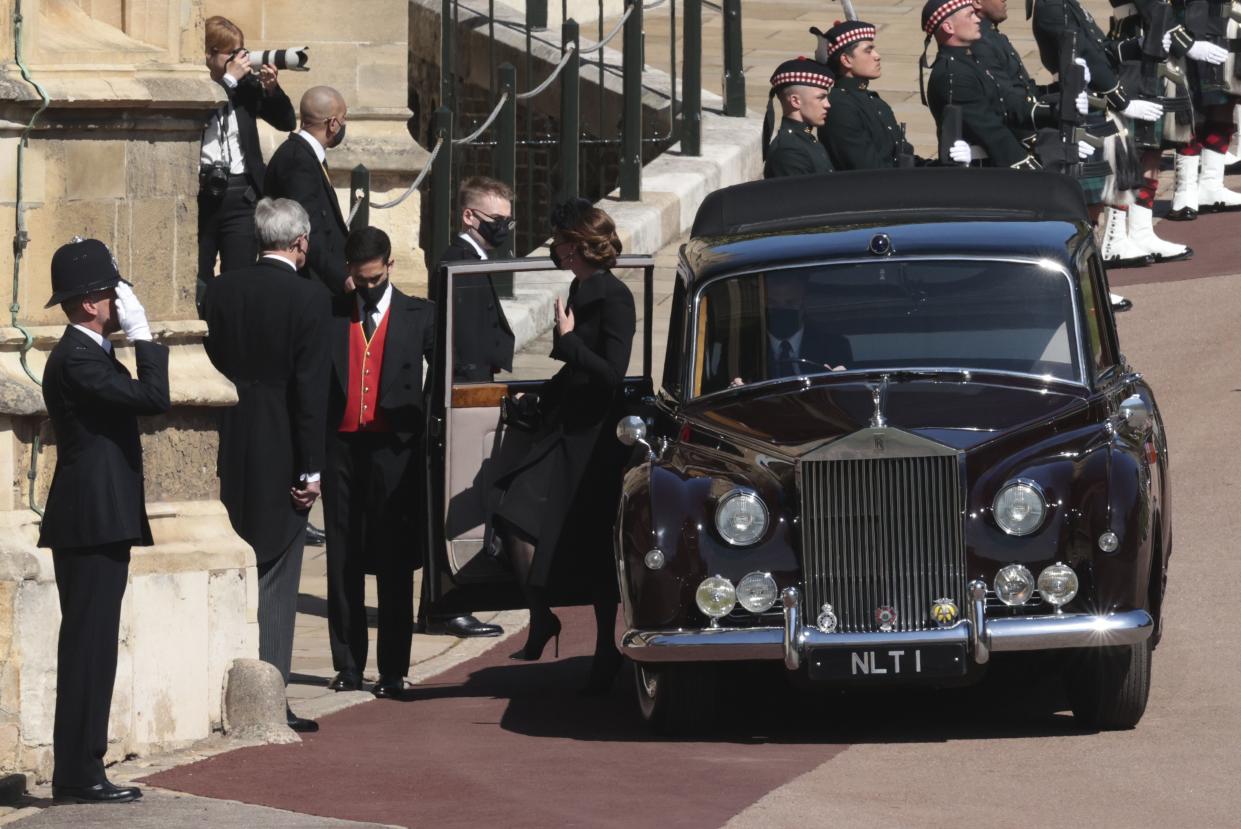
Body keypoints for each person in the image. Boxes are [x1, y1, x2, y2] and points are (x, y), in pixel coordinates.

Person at [39, 239, 170, 803]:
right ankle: (78, 771)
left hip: (98, 520)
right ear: (92, 302)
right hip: (90, 522)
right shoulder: (79, 359)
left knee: (92, 646)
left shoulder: (89, 353)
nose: (122, 303)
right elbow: (154, 398)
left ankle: (82, 766)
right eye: (116, 293)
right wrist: (145, 338)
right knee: (88, 648)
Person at [490, 198, 635, 694]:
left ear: (574, 246)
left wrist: (569, 340)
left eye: (557, 239)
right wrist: (542, 392)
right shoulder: (577, 286)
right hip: (564, 428)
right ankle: (542, 616)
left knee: (595, 548)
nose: (552, 246)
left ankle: (604, 650)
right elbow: (576, 370)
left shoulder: (615, 297)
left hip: (595, 440)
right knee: (513, 516)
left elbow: (611, 374)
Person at [203, 198, 331, 733]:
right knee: (278, 574)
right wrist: (311, 469)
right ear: (300, 243)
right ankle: (269, 698)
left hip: (228, 440)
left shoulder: (222, 289)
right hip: (281, 443)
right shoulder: (310, 297)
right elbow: (309, 390)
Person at [325, 227, 435, 697]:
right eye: (359, 280)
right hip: (342, 449)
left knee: (393, 563)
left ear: (389, 266)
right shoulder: (331, 314)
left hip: (396, 450)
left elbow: (450, 372)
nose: (367, 288)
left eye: (374, 279)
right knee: (343, 557)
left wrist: (425, 428)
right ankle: (348, 664)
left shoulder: (419, 315)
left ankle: (393, 669)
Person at [418, 176, 515, 639]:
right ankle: (446, 603)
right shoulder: (458, 264)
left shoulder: (472, 260)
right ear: (469, 216)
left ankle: (441, 603)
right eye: (497, 219)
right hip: (460, 397)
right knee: (454, 500)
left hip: (472, 391)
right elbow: (462, 340)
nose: (505, 228)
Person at [197, 16, 295, 317]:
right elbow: (198, 117)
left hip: (242, 196)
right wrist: (227, 82)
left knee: (239, 276)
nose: (240, 60)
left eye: (242, 51)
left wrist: (270, 90)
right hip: (200, 195)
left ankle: (234, 337)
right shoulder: (195, 86)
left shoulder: (243, 88)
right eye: (231, 53)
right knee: (197, 276)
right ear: (210, 54)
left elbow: (286, 122)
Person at [814, 20, 970, 168]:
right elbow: (867, 171)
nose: (877, 56)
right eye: (868, 50)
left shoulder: (875, 102)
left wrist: (945, 166)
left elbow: (904, 160)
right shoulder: (840, 106)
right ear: (846, 60)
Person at [921, 0, 1041, 169]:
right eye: (970, 15)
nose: (977, 19)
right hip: (981, 173)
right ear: (949, 27)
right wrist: (1034, 171)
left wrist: (1053, 112)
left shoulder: (969, 61)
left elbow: (1007, 104)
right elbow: (992, 134)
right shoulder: (953, 74)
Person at [264, 86, 350, 296]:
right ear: (332, 124)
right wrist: (342, 278)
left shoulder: (306, 155)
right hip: (309, 284)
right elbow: (309, 229)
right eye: (342, 119)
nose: (343, 125)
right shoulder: (298, 160)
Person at [762, 58, 836, 178]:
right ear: (795, 101)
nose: (828, 104)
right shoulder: (788, 152)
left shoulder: (804, 140)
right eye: (820, 98)